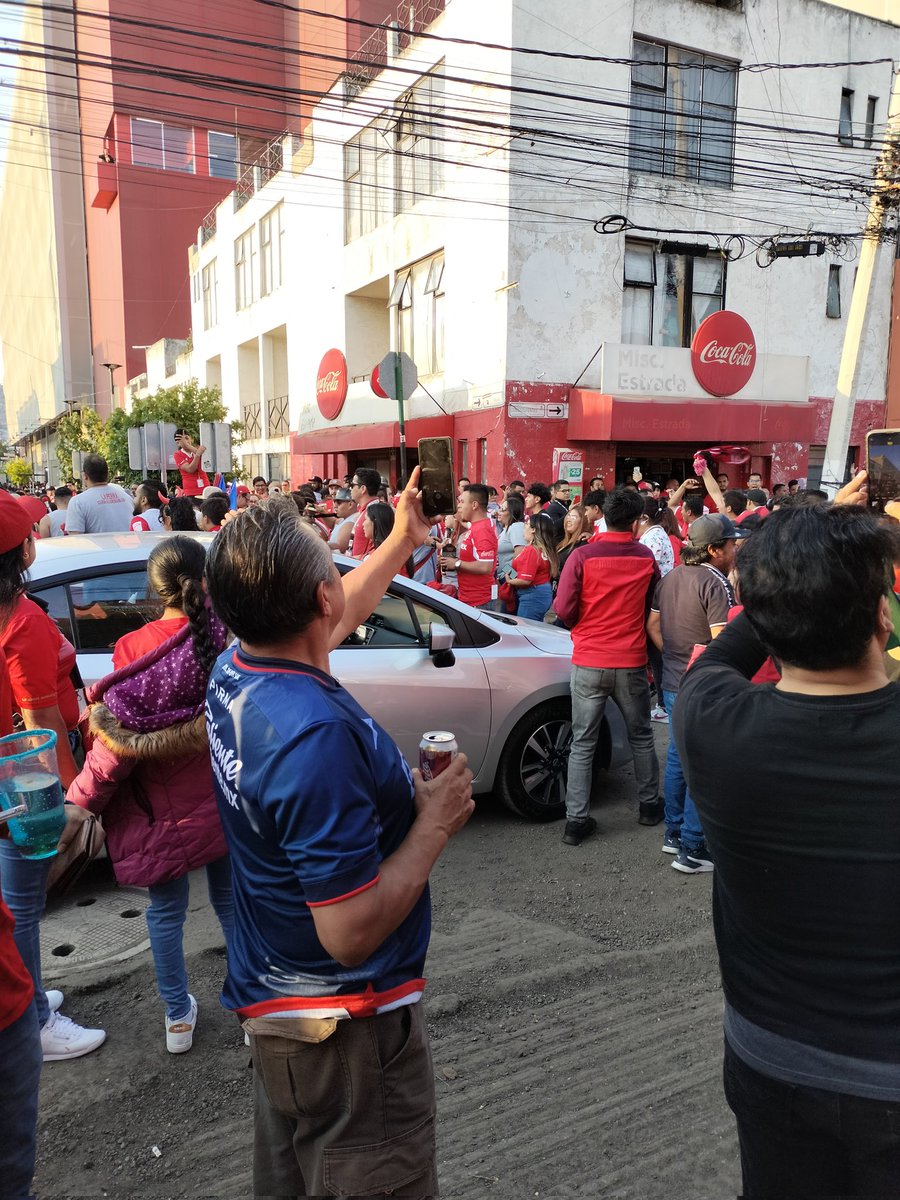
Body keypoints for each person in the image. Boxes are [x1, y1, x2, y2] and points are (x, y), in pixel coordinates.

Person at [203, 469, 474, 1196]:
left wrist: (400, 539)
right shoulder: (312, 736)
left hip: (281, 1008)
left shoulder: (238, 667)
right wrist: (435, 824)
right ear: (318, 598)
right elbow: (350, 930)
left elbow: (338, 612)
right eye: (334, 561)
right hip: (345, 1028)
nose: (342, 577)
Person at [675, 497, 900, 1198]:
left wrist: (790, 553)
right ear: (882, 617)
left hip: (770, 1064)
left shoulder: (709, 720)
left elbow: (732, 647)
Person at [69, 537, 232, 1054]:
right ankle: (254, 1006)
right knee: (234, 904)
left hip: (163, 816)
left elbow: (120, 742)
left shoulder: (133, 649)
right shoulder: (225, 633)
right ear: (205, 580)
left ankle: (178, 1017)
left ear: (153, 587)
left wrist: (80, 800)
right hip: (223, 798)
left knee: (166, 913)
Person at [0, 491, 106, 1061]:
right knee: (23, 906)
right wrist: (74, 798)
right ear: (22, 552)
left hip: (7, 781)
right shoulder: (23, 625)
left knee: (14, 906)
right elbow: (38, 727)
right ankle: (34, 1018)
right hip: (23, 785)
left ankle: (33, 995)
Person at [554, 488, 662, 844]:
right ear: (635, 522)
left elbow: (565, 609)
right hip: (630, 661)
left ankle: (576, 820)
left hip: (588, 660)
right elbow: (653, 609)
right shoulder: (646, 558)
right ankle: (648, 806)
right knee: (642, 735)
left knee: (582, 742)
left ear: (603, 517)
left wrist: (584, 630)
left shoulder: (582, 556)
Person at [647, 513, 739, 873]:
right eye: (731, 544)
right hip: (703, 684)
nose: (735, 549)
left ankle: (674, 835)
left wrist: (673, 655)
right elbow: (722, 640)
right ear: (715, 549)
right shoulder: (715, 583)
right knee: (702, 762)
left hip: (674, 679)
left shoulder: (671, 577)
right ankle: (694, 847)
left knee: (678, 756)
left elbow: (653, 624)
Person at [439, 483, 498, 610]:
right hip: (469, 598)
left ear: (474, 505)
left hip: (480, 601)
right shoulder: (476, 526)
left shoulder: (482, 530)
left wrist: (455, 564)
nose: (459, 506)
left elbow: (485, 566)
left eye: (462, 502)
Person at [503, 512, 558, 621]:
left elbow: (525, 580)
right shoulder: (540, 548)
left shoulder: (532, 550)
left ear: (533, 529)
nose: (524, 527)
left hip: (533, 595)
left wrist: (509, 580)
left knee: (526, 630)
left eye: (527, 524)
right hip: (539, 593)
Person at [64, 453, 132, 534]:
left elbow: (76, 539)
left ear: (85, 476)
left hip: (98, 546)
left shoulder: (78, 502)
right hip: (129, 546)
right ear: (107, 474)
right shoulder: (126, 497)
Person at [361, 502, 415, 577]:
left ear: (376, 522)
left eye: (366, 519)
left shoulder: (389, 554)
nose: (362, 524)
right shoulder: (382, 546)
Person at [349, 467, 382, 558]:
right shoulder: (367, 509)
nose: (350, 489)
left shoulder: (376, 512)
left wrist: (362, 559)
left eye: (352, 485)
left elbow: (381, 547)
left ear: (363, 489)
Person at [496, 493, 527, 580]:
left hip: (509, 578)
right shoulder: (506, 529)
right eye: (500, 509)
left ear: (512, 512)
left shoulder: (516, 527)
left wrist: (509, 575)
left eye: (503, 510)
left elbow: (520, 554)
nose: (499, 512)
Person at [556, 503, 591, 576]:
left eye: (573, 517)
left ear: (583, 521)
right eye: (568, 516)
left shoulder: (583, 544)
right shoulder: (562, 542)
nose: (569, 520)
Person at [173, 431, 210, 497]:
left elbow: (208, 463)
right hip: (191, 491)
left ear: (191, 439)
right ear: (178, 443)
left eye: (187, 438)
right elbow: (190, 469)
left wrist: (188, 445)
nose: (185, 441)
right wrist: (197, 456)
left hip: (205, 489)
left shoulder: (198, 449)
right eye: (182, 441)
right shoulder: (177, 454)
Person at [327, 488, 357, 553]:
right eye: (334, 502)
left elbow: (340, 547)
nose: (335, 506)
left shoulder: (351, 521)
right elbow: (333, 523)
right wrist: (321, 513)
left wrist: (318, 544)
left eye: (339, 503)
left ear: (350, 504)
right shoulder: (344, 518)